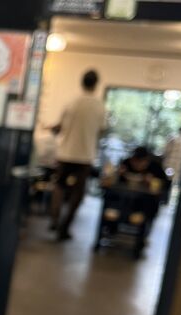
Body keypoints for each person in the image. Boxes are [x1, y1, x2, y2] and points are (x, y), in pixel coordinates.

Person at [50, 70, 106, 240]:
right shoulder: (100, 106)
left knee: (59, 186)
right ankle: (65, 227)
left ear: (81, 82)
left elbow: (59, 127)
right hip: (85, 155)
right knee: (78, 193)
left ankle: (54, 218)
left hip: (65, 153)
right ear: (96, 84)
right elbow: (102, 131)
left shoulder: (71, 102)